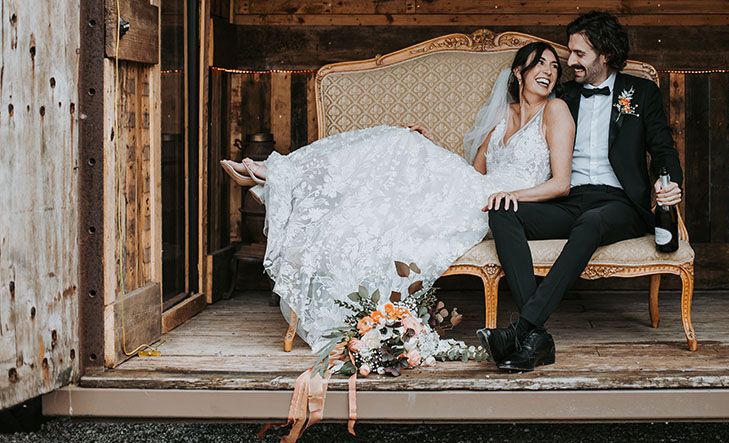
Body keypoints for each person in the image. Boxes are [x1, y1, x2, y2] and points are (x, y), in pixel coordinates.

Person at [221, 42, 575, 352]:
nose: (548, 71)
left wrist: (509, 195)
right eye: (540, 63)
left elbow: (560, 184)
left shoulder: (555, 111)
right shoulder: (502, 116)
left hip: (500, 204)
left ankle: (279, 174)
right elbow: (473, 174)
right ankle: (285, 174)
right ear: (518, 72)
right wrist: (432, 149)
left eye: (554, 66)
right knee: (403, 141)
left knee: (401, 146)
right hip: (478, 190)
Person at [480, 11, 683, 372]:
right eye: (569, 53)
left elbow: (663, 148)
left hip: (619, 202)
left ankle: (523, 328)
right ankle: (536, 337)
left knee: (592, 222)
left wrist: (668, 183)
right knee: (503, 212)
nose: (568, 61)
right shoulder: (564, 95)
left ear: (603, 55)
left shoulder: (641, 92)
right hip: (569, 198)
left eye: (579, 54)